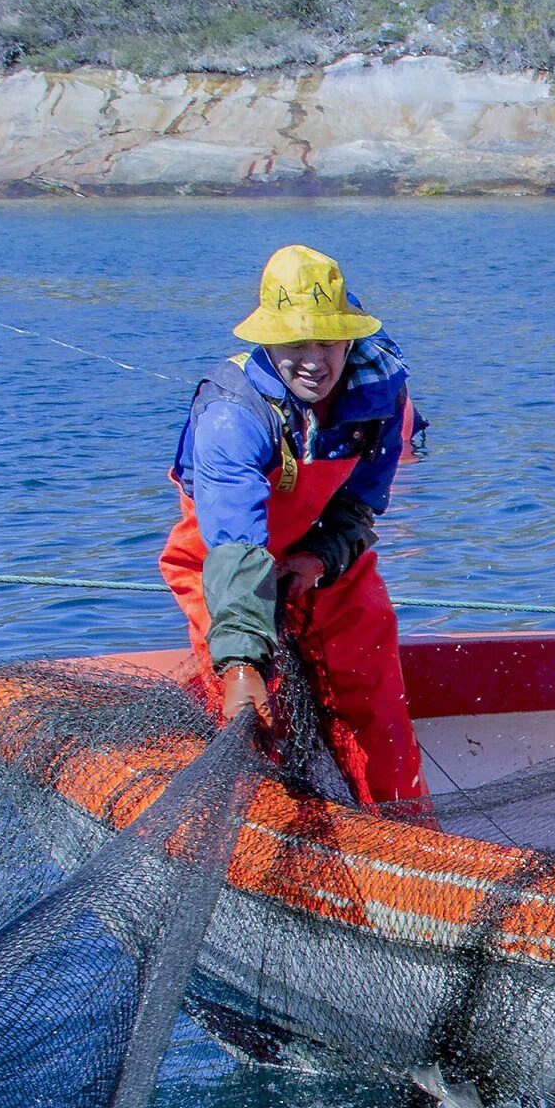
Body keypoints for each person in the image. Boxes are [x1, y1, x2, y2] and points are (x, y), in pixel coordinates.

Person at [157, 243, 425, 807]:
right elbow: (234, 543)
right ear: (266, 342)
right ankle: (267, 843)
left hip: (322, 552)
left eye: (326, 341)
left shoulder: (382, 392)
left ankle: (405, 834)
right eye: (294, 343)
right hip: (225, 559)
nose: (313, 360)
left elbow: (360, 504)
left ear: (349, 339)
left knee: (373, 697)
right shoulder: (231, 412)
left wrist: (323, 556)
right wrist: (239, 664)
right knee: (251, 707)